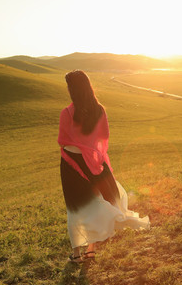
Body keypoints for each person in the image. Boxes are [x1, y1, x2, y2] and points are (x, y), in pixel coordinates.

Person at [58, 70, 150, 263]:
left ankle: (76, 254)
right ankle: (91, 250)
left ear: (73, 89)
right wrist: (93, 155)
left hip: (71, 164)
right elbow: (103, 138)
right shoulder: (99, 110)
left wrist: (79, 153)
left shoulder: (67, 113)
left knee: (74, 208)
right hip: (94, 162)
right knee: (97, 202)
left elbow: (64, 142)